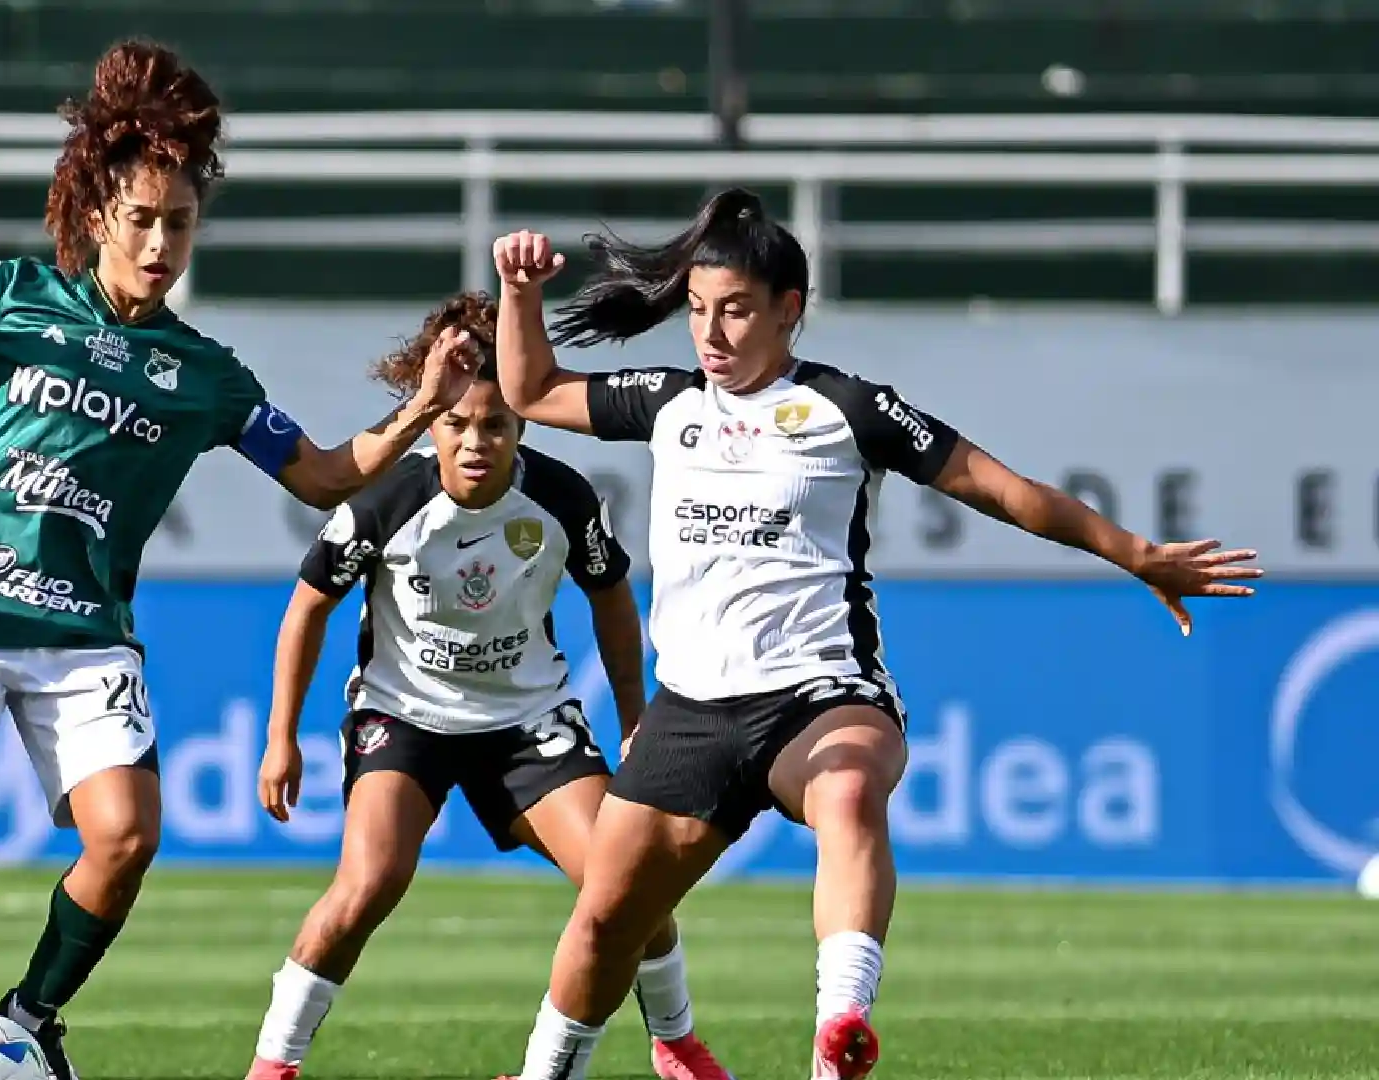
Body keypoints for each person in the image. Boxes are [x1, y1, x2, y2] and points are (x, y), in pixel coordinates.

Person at [485, 190, 1263, 1080]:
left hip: (818, 695)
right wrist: (519, 292)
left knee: (848, 789)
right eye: (698, 310)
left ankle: (840, 1034)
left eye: (736, 309)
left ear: (789, 310)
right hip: (691, 712)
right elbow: (532, 390)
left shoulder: (849, 410)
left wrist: (1136, 553)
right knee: (605, 920)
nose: (713, 332)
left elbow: (1002, 489)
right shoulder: (667, 404)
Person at [0, 39, 478, 1080]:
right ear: (96, 217)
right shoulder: (3, 299)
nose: (162, 242)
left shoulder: (203, 375)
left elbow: (318, 475)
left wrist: (424, 410)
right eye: (142, 219)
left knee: (126, 838)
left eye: (179, 222)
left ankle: (27, 1018)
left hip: (82, 635)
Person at [242, 293, 733, 1080]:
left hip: (526, 720)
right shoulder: (386, 500)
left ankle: (674, 1043)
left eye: (495, 424)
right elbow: (307, 607)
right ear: (431, 420)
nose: (476, 442)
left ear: (522, 424)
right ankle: (273, 1066)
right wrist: (279, 738)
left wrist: (637, 719)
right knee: (369, 882)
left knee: (629, 879)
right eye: (457, 424)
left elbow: (611, 597)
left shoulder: (564, 498)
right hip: (405, 716)